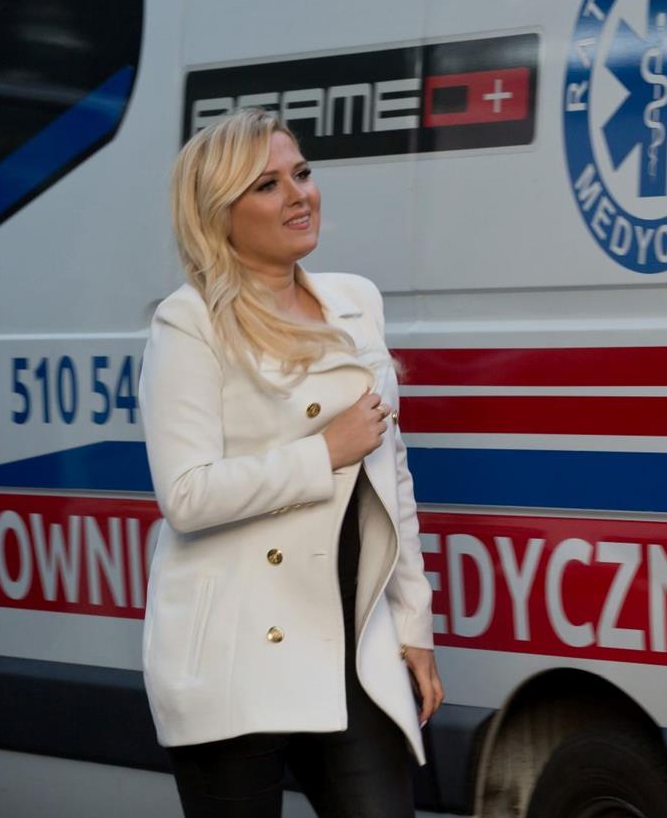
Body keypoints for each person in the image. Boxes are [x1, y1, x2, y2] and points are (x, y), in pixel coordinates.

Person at [139, 108, 444, 818]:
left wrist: (414, 625)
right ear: (219, 213)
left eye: (301, 173)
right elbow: (185, 495)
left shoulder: (356, 301)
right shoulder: (189, 321)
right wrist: (323, 453)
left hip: (350, 643)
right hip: (233, 655)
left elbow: (391, 477)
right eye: (267, 185)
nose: (299, 195)